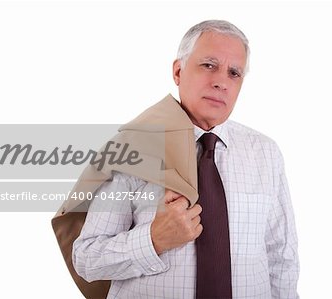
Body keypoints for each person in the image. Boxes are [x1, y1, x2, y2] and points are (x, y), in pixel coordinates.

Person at [72, 20, 299, 298]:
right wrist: (153, 239)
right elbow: (86, 259)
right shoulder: (133, 148)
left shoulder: (266, 153)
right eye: (208, 65)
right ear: (178, 71)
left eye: (234, 73)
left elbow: (281, 257)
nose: (221, 82)